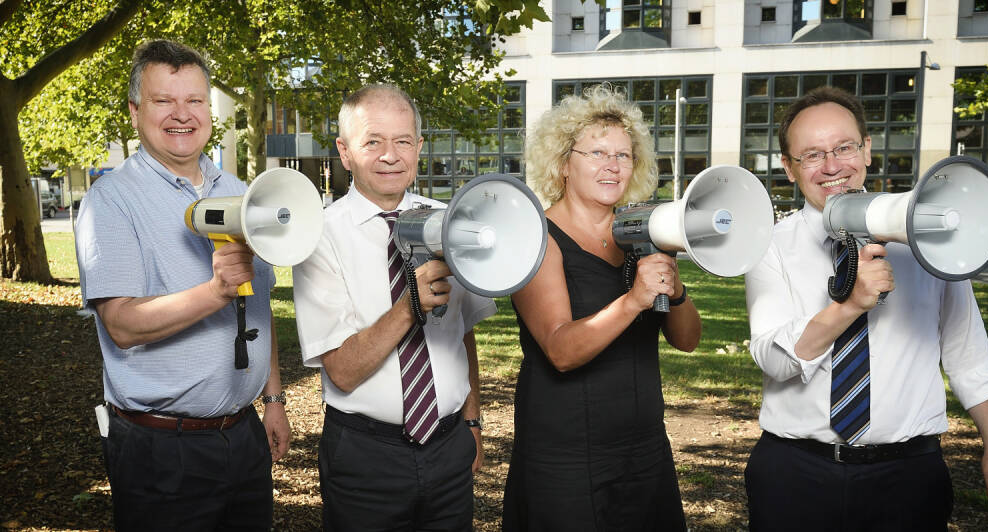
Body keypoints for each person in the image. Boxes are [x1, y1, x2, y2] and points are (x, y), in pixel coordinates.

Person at [744, 86, 988, 530]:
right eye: (812, 155)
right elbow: (776, 361)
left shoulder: (924, 238)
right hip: (796, 473)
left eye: (844, 147)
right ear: (789, 168)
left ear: (868, 150)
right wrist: (849, 305)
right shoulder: (770, 247)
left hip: (909, 476)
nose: (833, 166)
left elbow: (966, 351)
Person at [74, 40, 290, 531]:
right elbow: (123, 324)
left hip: (243, 435)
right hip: (161, 451)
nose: (181, 115)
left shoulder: (241, 193)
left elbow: (259, 310)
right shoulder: (111, 201)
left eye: (194, 100)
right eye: (163, 100)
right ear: (134, 111)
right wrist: (214, 291)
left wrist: (272, 400)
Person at [292, 84, 496, 531]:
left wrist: (472, 417)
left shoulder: (450, 222)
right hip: (366, 457)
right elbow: (342, 371)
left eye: (403, 140)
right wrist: (410, 305)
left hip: (448, 448)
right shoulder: (318, 237)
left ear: (419, 148)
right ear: (345, 152)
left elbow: (463, 332)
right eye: (373, 141)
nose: (390, 155)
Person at [501, 84, 702, 531]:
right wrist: (633, 301)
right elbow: (560, 350)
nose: (613, 165)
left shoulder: (639, 235)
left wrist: (675, 283)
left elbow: (687, 341)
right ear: (562, 163)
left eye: (624, 155)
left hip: (644, 447)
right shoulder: (536, 239)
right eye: (596, 153)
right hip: (565, 456)